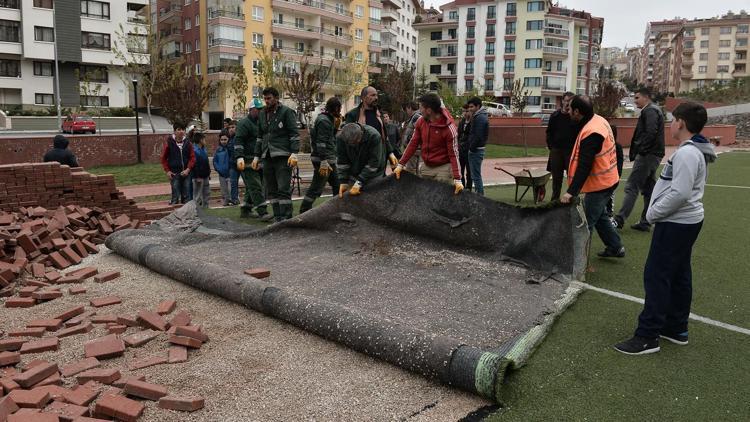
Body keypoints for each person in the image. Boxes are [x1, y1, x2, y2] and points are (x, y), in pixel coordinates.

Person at [614, 102, 716, 355]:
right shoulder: (692, 150)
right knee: (679, 274)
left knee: (657, 275)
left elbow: (680, 192)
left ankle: (648, 335)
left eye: (672, 120)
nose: (670, 124)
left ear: (681, 122)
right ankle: (675, 327)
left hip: (676, 223)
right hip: (684, 222)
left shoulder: (687, 153)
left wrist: (653, 212)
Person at [561, 95, 624, 258]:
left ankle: (577, 262)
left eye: (569, 109)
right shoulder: (598, 120)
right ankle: (615, 247)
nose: (567, 112)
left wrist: (571, 191)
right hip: (609, 179)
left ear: (577, 112)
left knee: (585, 223)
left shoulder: (591, 133)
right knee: (600, 216)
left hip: (601, 184)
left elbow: (585, 166)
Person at [614, 87, 665, 232]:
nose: (634, 100)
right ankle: (646, 221)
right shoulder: (654, 110)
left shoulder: (650, 111)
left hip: (648, 155)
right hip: (653, 154)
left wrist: (642, 150)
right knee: (648, 189)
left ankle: (619, 219)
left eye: (637, 98)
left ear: (646, 97)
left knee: (632, 186)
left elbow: (650, 131)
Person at [394, 93, 463, 195]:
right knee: (424, 199)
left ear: (429, 110)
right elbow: (413, 144)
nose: (419, 111)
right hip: (426, 166)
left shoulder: (448, 128)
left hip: (443, 168)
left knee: (439, 200)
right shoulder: (421, 122)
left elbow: (454, 154)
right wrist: (401, 164)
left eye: (421, 108)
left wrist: (457, 178)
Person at [251, 87, 300, 222]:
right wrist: (256, 155)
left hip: (282, 155)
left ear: (276, 98)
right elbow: (260, 137)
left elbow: (294, 134)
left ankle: (287, 217)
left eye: (269, 98)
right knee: (271, 190)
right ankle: (278, 218)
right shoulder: (262, 114)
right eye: (265, 98)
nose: (266, 101)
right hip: (267, 156)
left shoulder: (286, 112)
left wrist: (294, 153)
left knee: (283, 189)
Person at [300, 97, 342, 213]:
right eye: (339, 108)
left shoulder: (327, 119)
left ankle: (336, 208)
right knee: (317, 186)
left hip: (327, 159)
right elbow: (321, 142)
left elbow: (329, 138)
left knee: (336, 184)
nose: (340, 112)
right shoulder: (324, 121)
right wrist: (323, 160)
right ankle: (304, 209)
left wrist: (335, 128)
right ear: (336, 108)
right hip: (323, 159)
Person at [344, 86, 399, 168]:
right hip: (361, 161)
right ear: (363, 97)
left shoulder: (378, 114)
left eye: (376, 95)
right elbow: (347, 140)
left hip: (379, 159)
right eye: (372, 95)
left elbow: (384, 137)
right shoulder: (353, 115)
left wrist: (391, 153)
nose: (376, 98)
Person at [235, 99, 269, 220]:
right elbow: (238, 141)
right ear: (251, 110)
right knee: (255, 186)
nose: (261, 111)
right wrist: (239, 157)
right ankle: (263, 212)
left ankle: (246, 210)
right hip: (247, 160)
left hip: (258, 159)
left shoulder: (260, 122)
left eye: (261, 109)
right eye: (258, 109)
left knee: (252, 186)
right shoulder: (244, 123)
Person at [336, 122, 386, 197]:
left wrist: (359, 182)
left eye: (356, 142)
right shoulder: (341, 138)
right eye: (351, 144)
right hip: (354, 174)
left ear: (361, 134)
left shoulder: (374, 136)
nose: (354, 145)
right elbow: (342, 161)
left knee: (374, 199)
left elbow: (373, 163)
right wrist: (343, 181)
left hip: (374, 175)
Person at [545, 92, 579, 201]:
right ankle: (554, 200)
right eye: (566, 100)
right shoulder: (555, 116)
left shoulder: (575, 117)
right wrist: (551, 146)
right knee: (556, 178)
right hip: (557, 150)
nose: (567, 103)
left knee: (572, 176)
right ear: (562, 101)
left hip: (570, 151)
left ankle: (571, 199)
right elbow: (549, 132)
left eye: (570, 101)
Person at [160, 122, 195, 205]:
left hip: (186, 173)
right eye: (179, 129)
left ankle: (187, 214)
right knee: (175, 195)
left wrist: (188, 169)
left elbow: (192, 157)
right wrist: (167, 171)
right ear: (174, 131)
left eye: (183, 129)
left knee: (186, 195)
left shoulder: (188, 143)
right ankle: (174, 211)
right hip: (174, 173)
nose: (181, 131)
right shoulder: (169, 143)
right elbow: (163, 159)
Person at [465, 97, 488, 195]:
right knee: (475, 175)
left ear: (478, 106)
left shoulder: (480, 117)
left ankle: (480, 196)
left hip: (476, 150)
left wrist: (471, 148)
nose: (470, 109)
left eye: (471, 107)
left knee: (476, 175)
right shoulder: (478, 116)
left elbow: (478, 136)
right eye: (469, 107)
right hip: (477, 149)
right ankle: (480, 194)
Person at [401, 101, 422, 175]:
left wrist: (409, 139)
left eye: (406, 109)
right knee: (414, 170)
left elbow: (420, 131)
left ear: (409, 108)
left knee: (411, 171)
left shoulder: (416, 117)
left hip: (414, 149)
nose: (406, 112)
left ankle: (412, 186)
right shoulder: (415, 117)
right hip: (414, 149)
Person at [191, 132, 211, 208]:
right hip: (198, 176)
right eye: (204, 139)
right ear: (200, 140)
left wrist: (208, 173)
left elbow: (206, 162)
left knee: (206, 192)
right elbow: (195, 165)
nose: (205, 140)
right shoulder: (194, 150)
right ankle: (195, 209)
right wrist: (197, 176)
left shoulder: (203, 149)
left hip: (205, 175)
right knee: (197, 194)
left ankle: (206, 206)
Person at [213, 131, 232, 206]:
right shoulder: (218, 150)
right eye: (222, 140)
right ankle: (225, 201)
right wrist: (218, 169)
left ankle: (232, 200)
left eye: (225, 139)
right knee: (224, 190)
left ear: (228, 139)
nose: (223, 141)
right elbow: (215, 161)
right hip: (221, 174)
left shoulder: (231, 149)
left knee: (231, 189)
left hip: (230, 173)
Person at [457, 105, 473, 191]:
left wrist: (466, 145)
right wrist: (458, 144)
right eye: (464, 111)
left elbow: (471, 136)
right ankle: (462, 186)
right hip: (461, 149)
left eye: (467, 111)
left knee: (469, 171)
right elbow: (458, 134)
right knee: (461, 170)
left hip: (468, 150)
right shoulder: (462, 121)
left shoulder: (473, 122)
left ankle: (469, 187)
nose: (465, 113)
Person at [227, 120, 241, 206]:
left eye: (233, 127)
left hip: (241, 163)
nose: (231, 129)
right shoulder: (230, 139)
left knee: (248, 182)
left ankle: (251, 199)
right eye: (229, 128)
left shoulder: (239, 137)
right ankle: (234, 199)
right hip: (232, 164)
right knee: (233, 183)